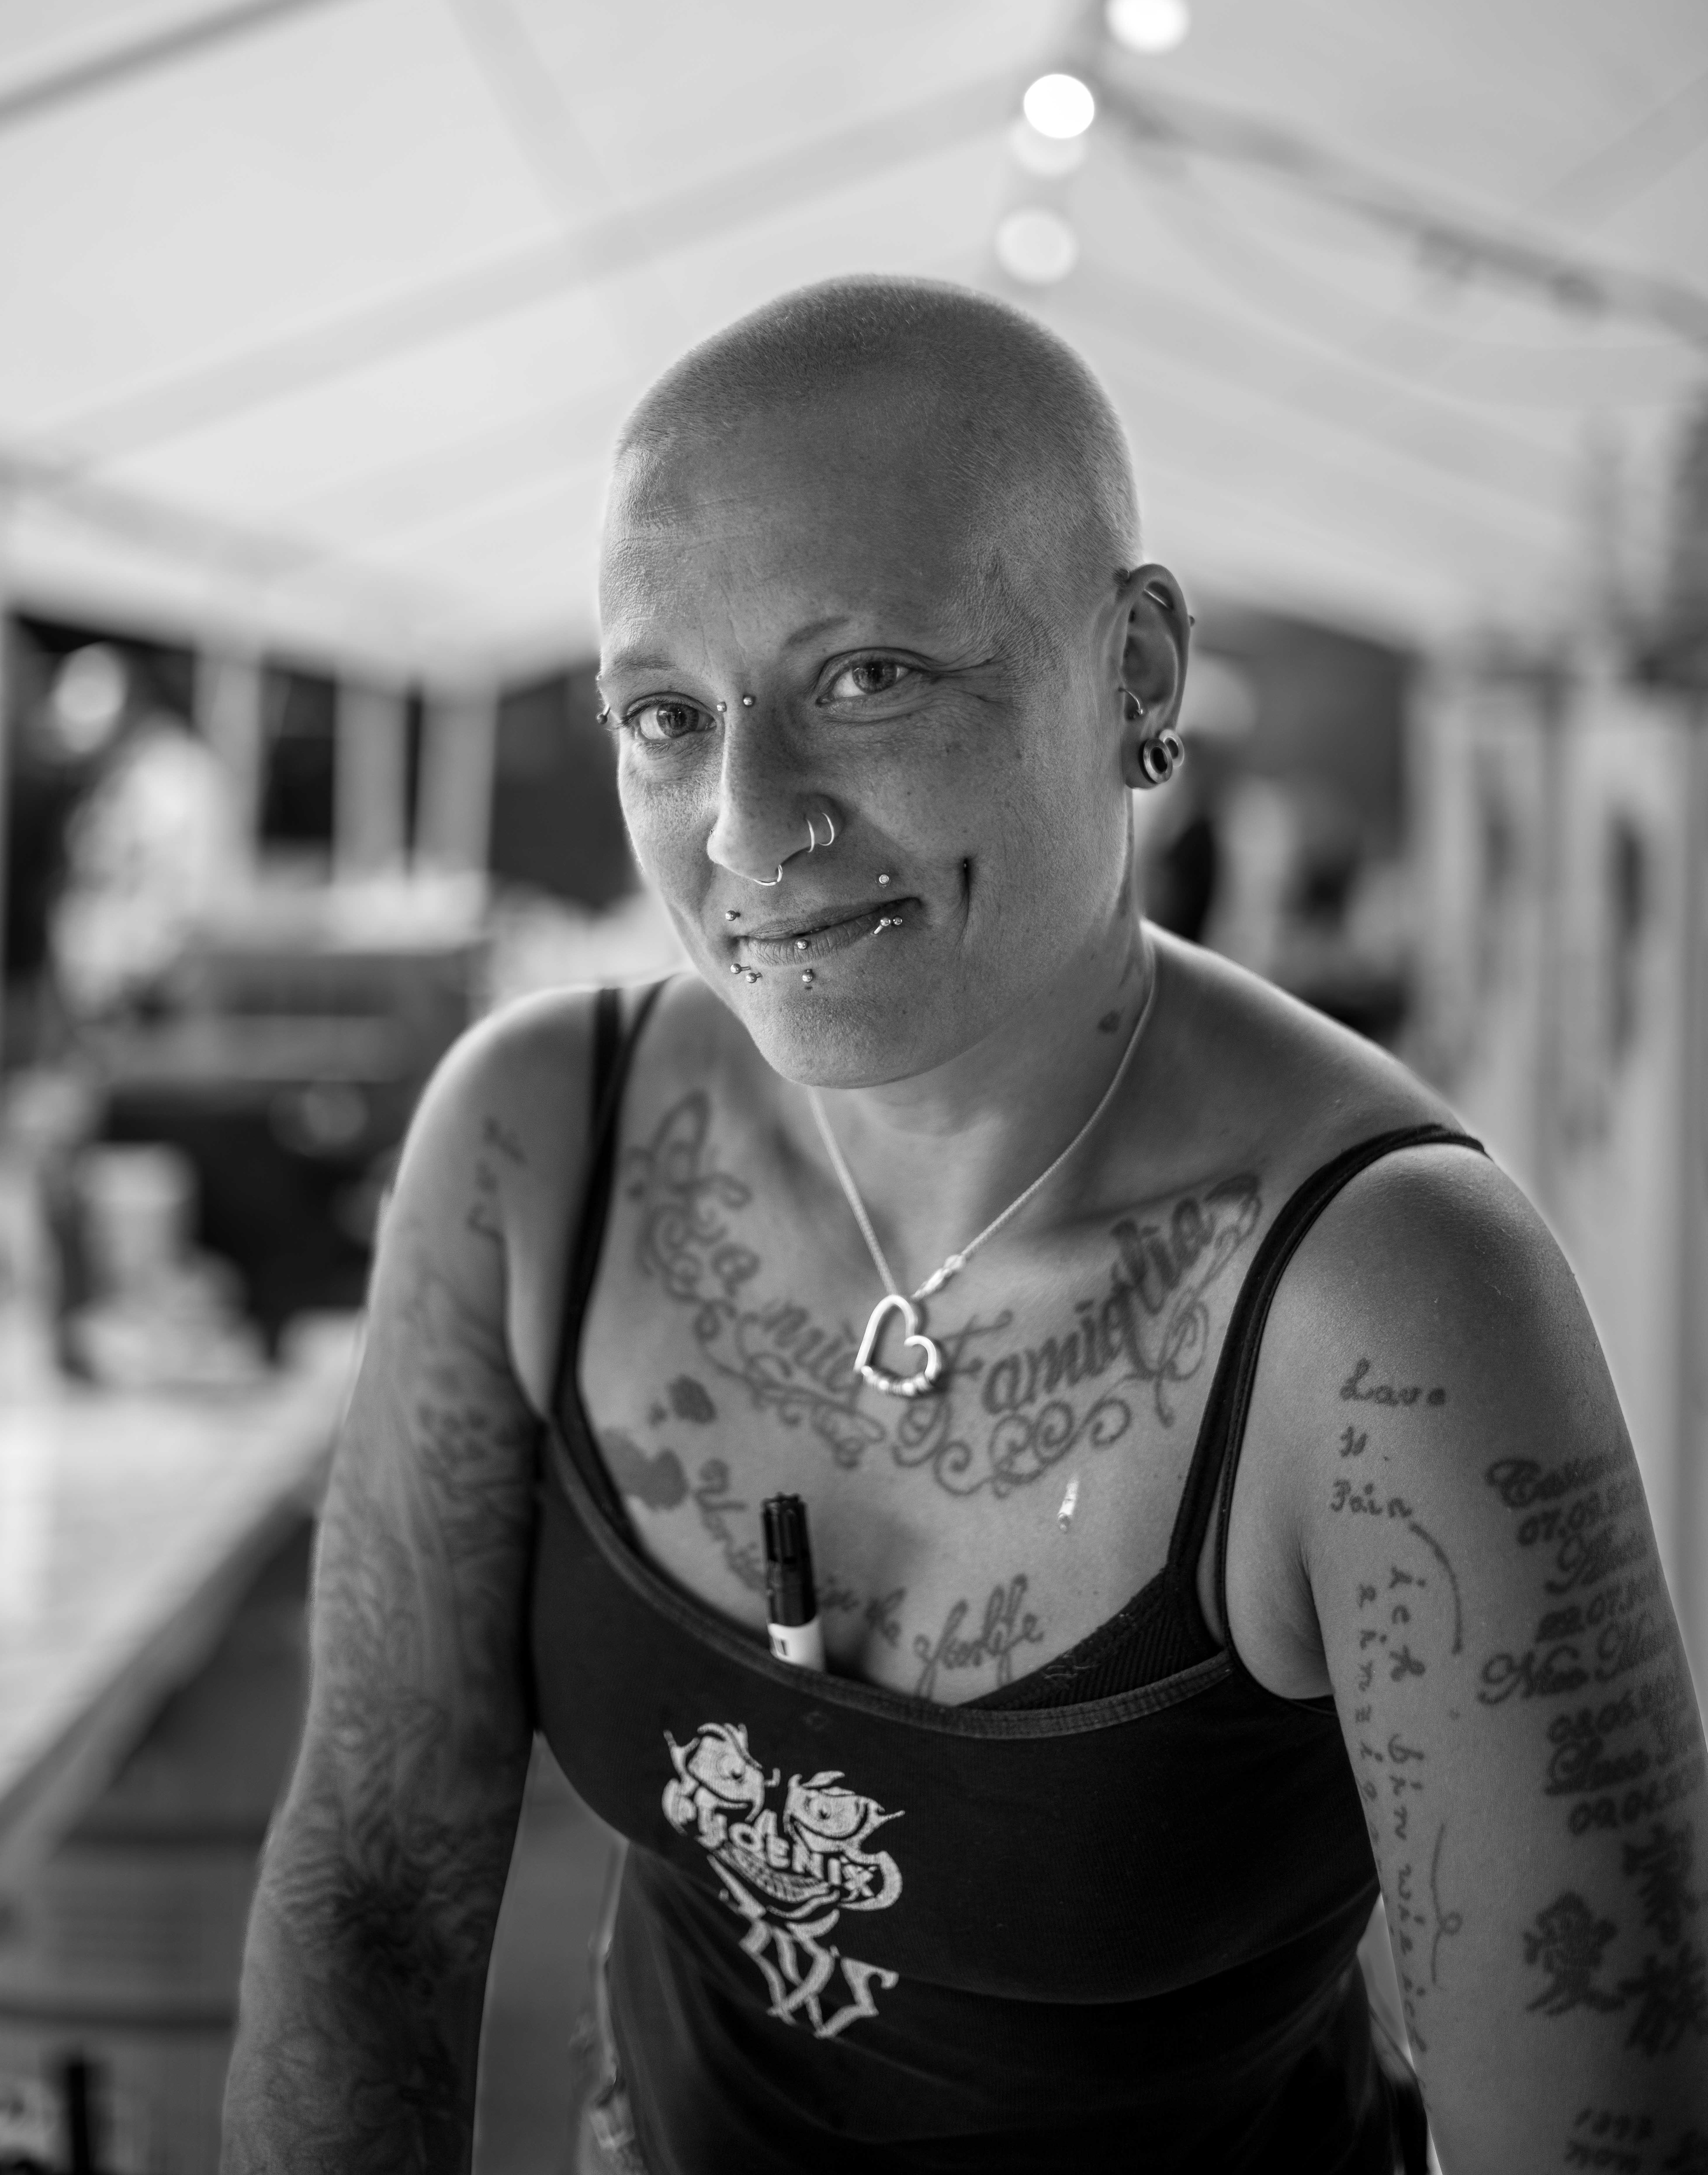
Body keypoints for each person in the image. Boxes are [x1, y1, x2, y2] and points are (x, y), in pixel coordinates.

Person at [222, 278, 1707, 2175]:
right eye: (665, 716)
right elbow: (369, 1890)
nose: (745, 823)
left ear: (1138, 673)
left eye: (868, 679)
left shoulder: (1388, 1299)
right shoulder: (536, 1145)